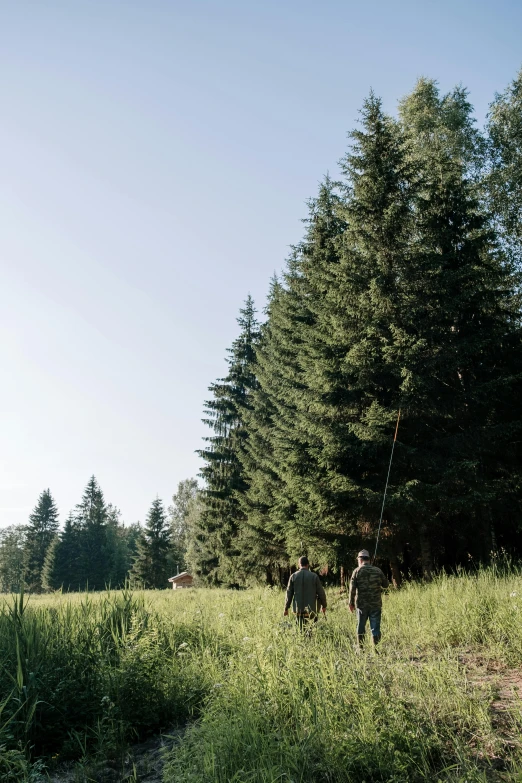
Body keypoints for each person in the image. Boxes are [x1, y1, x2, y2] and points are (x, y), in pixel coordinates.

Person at [349, 549, 388, 648]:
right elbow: (386, 585)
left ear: (360, 560)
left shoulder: (356, 571)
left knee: (360, 627)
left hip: (362, 605)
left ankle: (360, 649)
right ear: (369, 559)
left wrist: (351, 603)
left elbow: (352, 589)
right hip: (375, 604)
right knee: (375, 628)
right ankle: (377, 650)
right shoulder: (378, 570)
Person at [284, 556, 327, 628]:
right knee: (312, 630)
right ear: (308, 565)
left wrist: (286, 608)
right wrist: (324, 605)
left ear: (299, 565)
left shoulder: (293, 576)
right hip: (311, 610)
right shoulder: (314, 576)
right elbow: (321, 593)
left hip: (298, 610)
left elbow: (289, 594)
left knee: (300, 630)